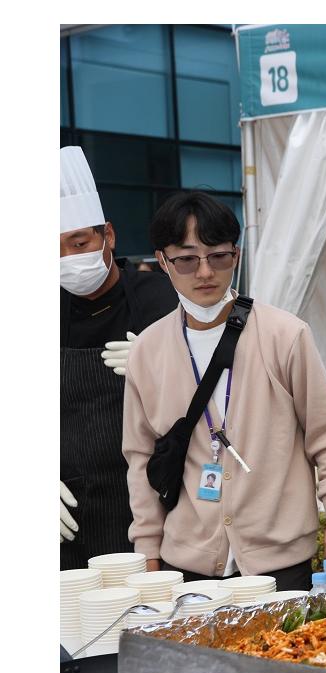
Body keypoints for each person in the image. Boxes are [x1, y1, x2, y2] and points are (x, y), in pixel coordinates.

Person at [122, 191, 326, 591]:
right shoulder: (148, 349)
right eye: (187, 259)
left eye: (218, 256)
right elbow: (140, 457)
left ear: (238, 256)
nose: (205, 272)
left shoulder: (286, 335)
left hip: (280, 559)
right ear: (162, 261)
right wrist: (148, 550)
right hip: (187, 561)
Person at [59, 146, 177, 567]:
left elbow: (213, 397)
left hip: (150, 505)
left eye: (79, 243)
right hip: (68, 515)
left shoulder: (161, 298)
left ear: (108, 235)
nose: (69, 260)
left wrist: (162, 369)